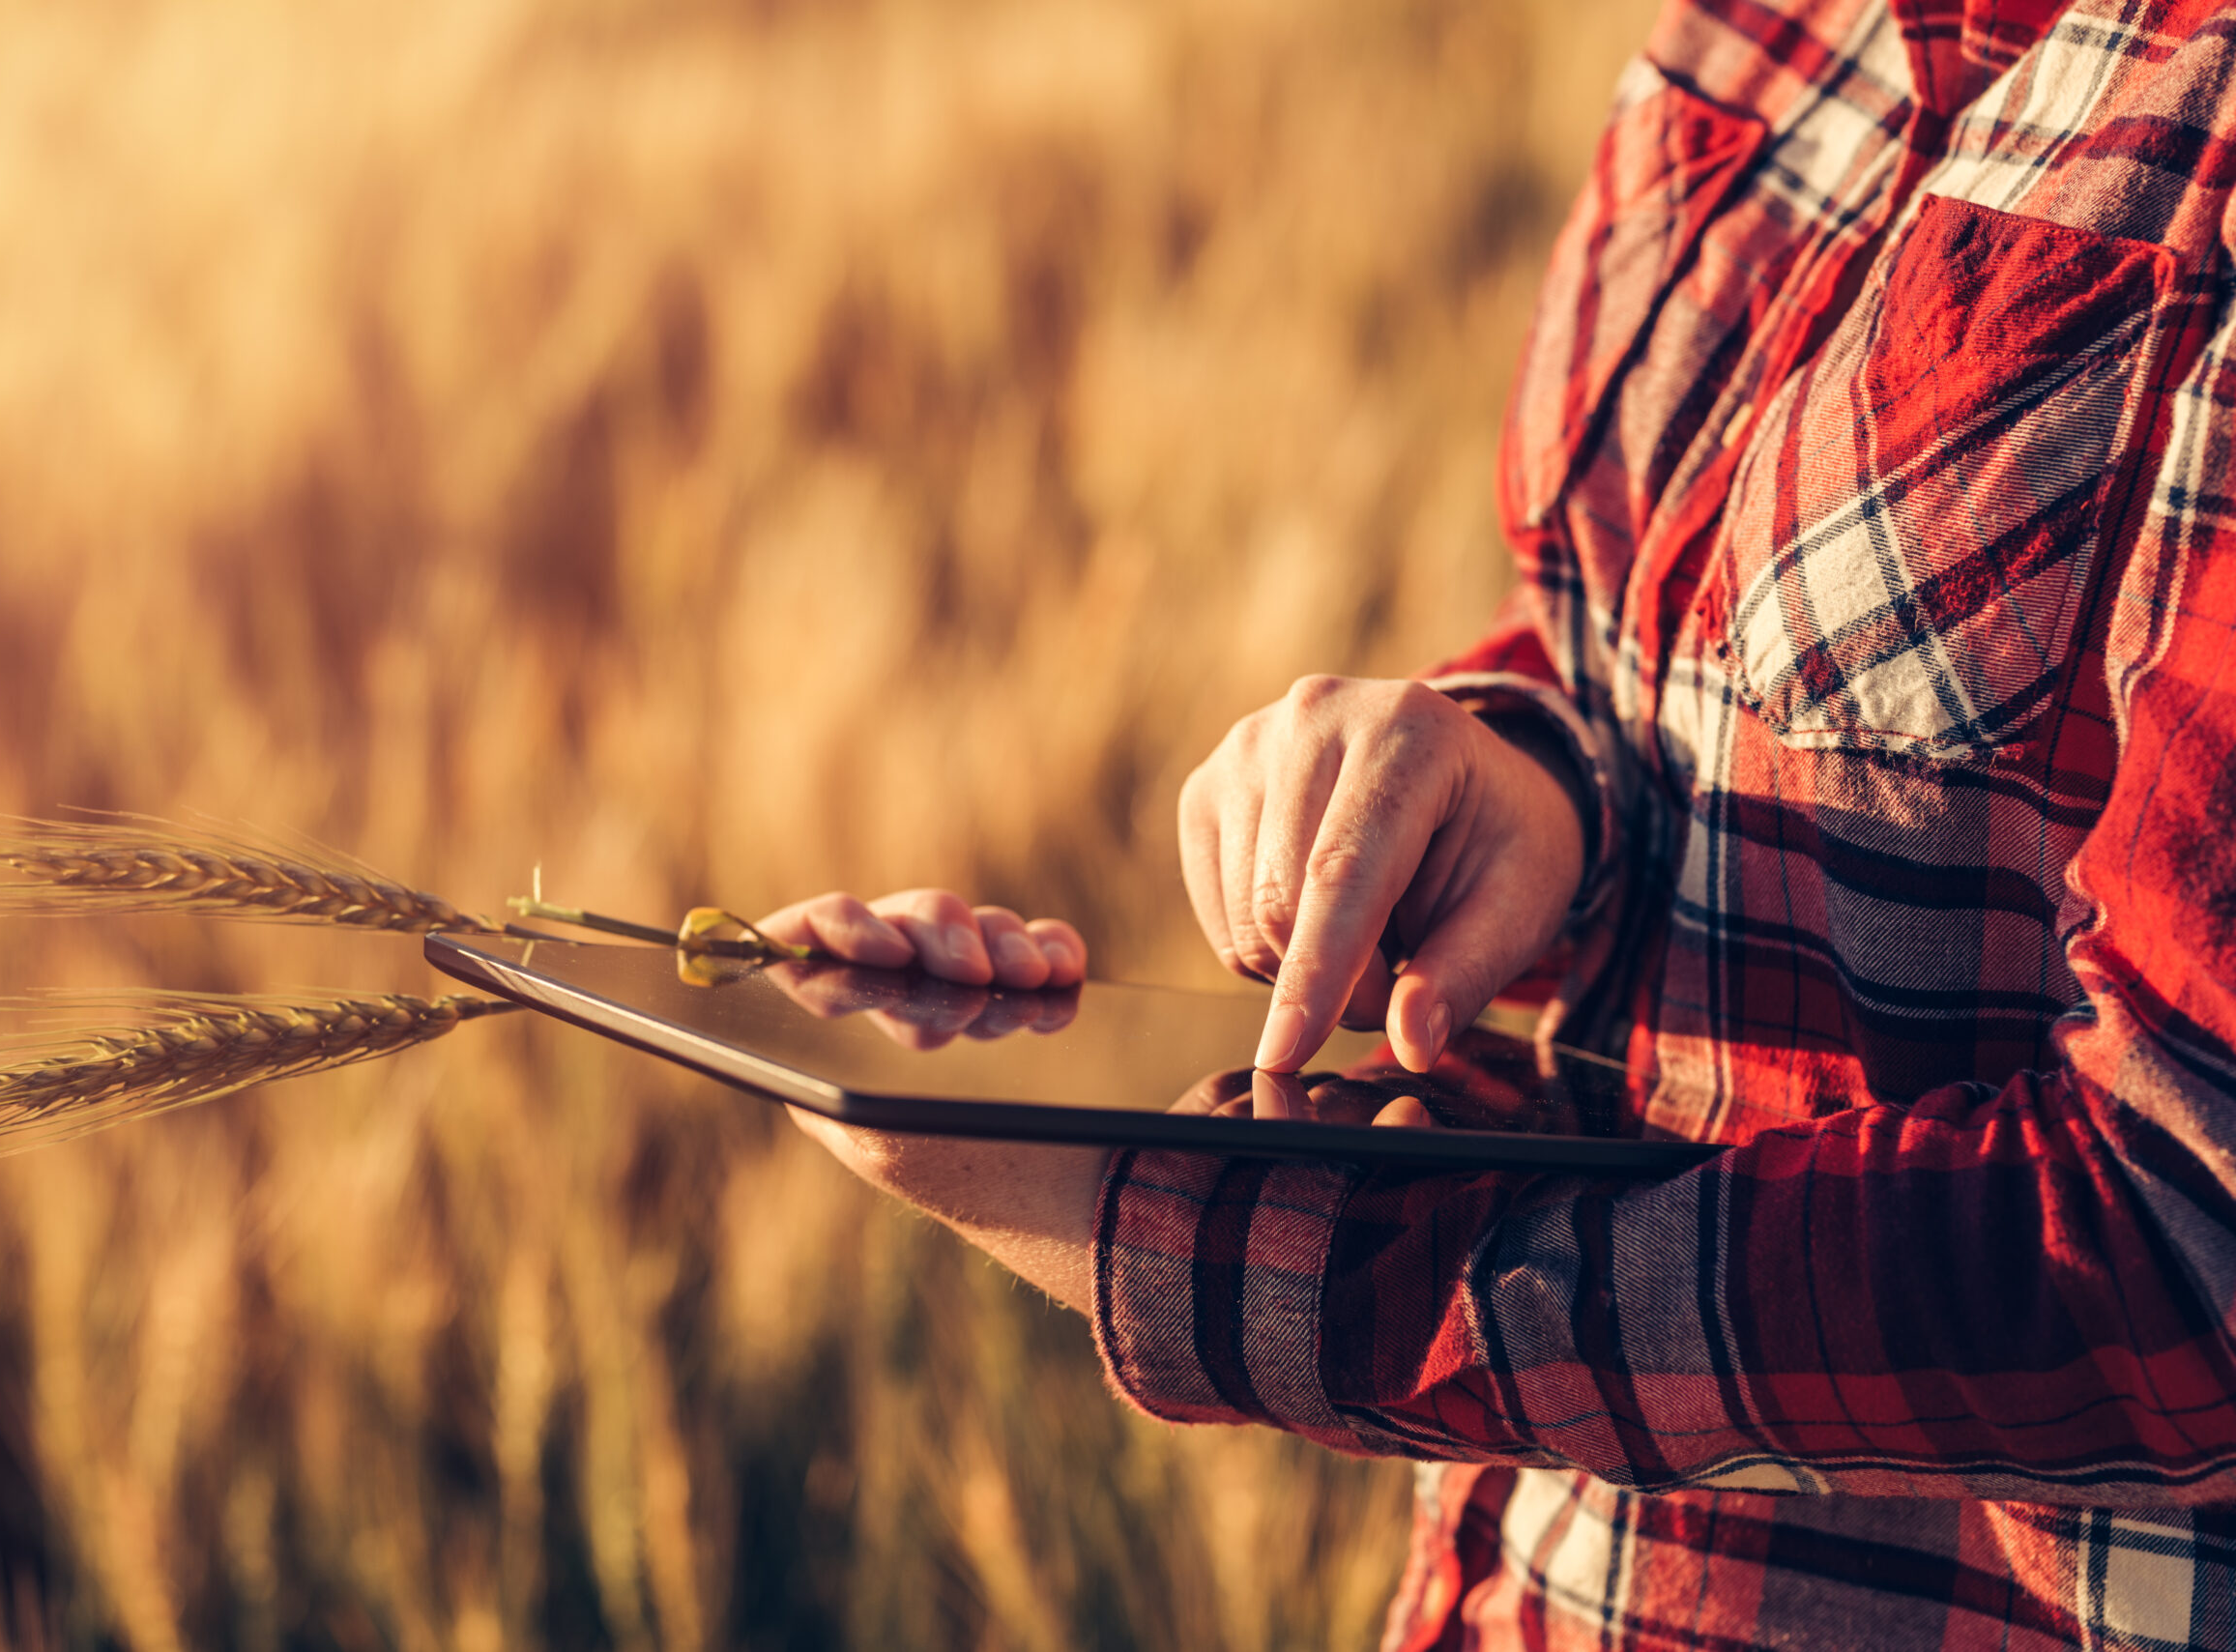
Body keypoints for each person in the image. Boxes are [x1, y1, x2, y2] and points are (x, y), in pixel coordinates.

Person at [759, 0, 2236, 1641]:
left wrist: (1247, 1248)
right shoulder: (1773, 33)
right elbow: (1700, 646)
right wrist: (1531, 787)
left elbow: (2191, 1243)